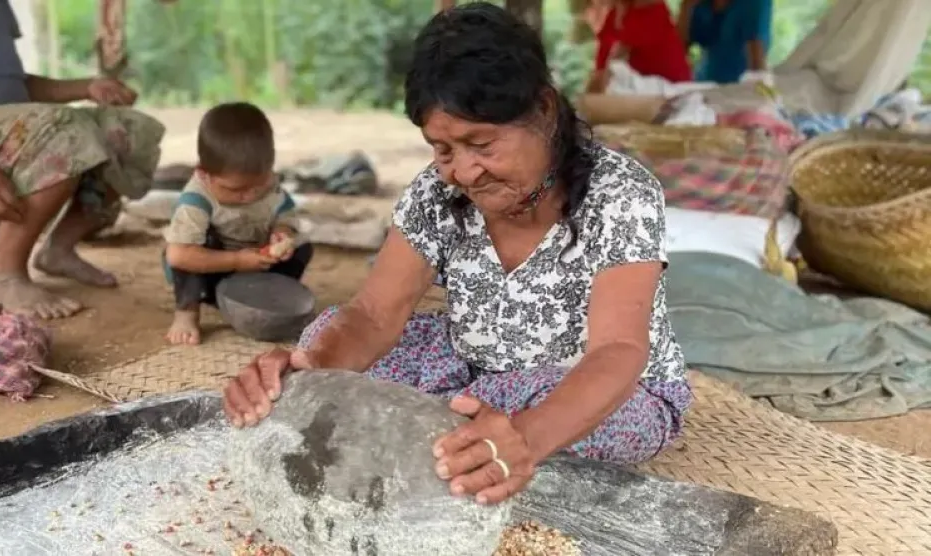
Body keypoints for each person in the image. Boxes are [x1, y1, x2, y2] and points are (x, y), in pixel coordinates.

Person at [223, 2, 691, 505]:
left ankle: (471, 430)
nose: (464, 172)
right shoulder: (436, 194)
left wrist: (526, 440)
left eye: (482, 145)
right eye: (443, 150)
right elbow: (374, 315)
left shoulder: (618, 193)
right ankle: (463, 426)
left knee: (600, 418)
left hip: (595, 386)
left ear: (544, 110)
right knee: (326, 337)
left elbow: (617, 351)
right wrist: (304, 373)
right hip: (469, 364)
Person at [0, 0, 164, 319]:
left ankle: (59, 249)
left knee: (130, 130)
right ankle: (3, 275)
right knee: (64, 131)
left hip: (6, 127)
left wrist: (87, 87)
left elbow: (11, 82)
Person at [163, 102, 311, 346]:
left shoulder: (268, 183)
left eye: (259, 185)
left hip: (257, 268)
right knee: (190, 250)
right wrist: (237, 261)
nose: (250, 196)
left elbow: (284, 214)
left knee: (302, 247)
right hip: (211, 273)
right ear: (204, 173)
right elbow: (178, 256)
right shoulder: (196, 200)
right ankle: (186, 313)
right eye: (237, 190)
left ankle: (268, 299)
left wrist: (281, 234)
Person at [584, 0, 692, 93]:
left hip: (671, 92)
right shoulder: (613, 16)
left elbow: (614, 63)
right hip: (637, 96)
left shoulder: (651, 10)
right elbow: (600, 67)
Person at [677, 0, 773, 84]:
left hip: (738, 89)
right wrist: (686, 7)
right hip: (704, 86)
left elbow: (756, 65)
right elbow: (677, 54)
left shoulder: (753, 3)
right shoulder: (702, 5)